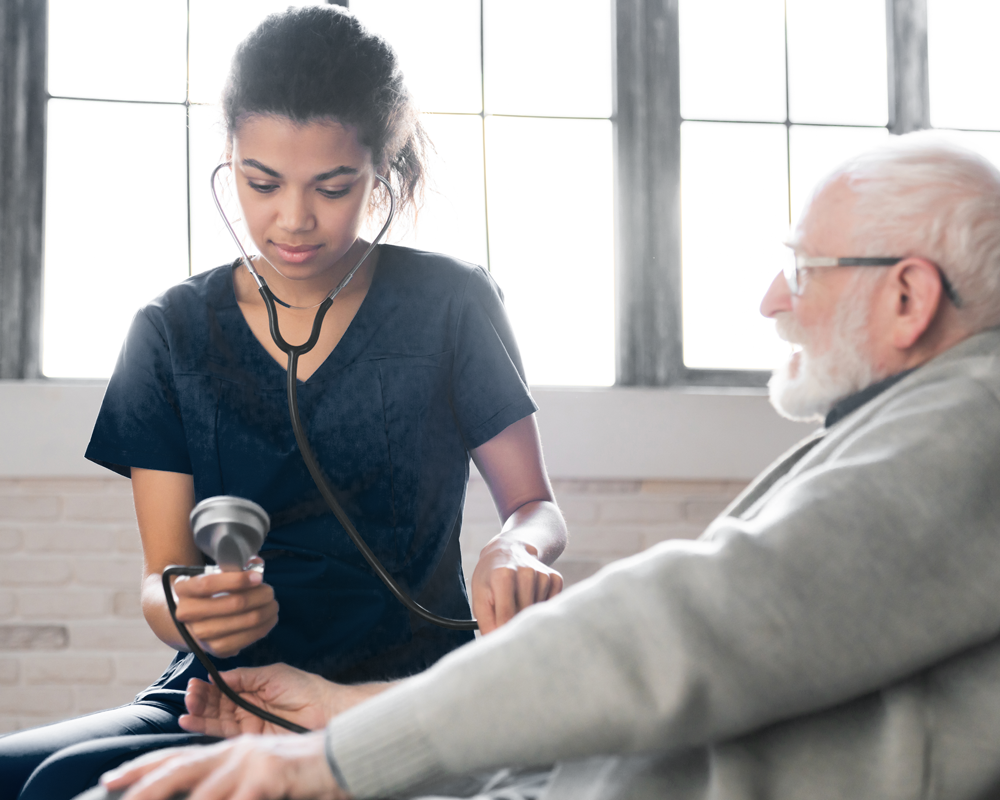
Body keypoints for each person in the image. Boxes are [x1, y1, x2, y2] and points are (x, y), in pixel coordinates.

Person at [97, 132, 1000, 800]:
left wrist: (330, 757)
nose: (771, 300)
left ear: (910, 294)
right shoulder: (917, 428)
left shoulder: (977, 420)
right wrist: (340, 712)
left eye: (803, 269)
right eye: (264, 181)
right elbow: (684, 684)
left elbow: (688, 631)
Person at [0, 6, 567, 800]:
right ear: (228, 158)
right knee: (27, 779)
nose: (293, 219)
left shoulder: (452, 303)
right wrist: (190, 611)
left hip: (394, 693)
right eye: (261, 182)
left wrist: (517, 549)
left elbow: (534, 505)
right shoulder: (169, 332)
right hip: (224, 698)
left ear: (383, 172)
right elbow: (162, 578)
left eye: (333, 188)